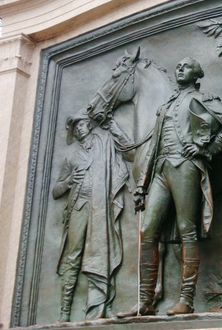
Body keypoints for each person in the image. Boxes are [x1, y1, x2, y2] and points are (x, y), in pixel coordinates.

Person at [117, 57, 222, 317]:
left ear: (196, 74)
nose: (179, 68)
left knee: (188, 230)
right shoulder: (165, 106)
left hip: (186, 166)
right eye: (178, 65)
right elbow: (153, 148)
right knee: (147, 231)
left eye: (185, 66)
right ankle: (145, 302)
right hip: (162, 171)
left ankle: (186, 300)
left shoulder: (202, 99)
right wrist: (142, 184)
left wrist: (207, 149)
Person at [53, 110, 130, 321]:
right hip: (79, 207)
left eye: (81, 124)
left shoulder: (104, 144)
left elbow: (127, 148)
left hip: (100, 207)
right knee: (73, 256)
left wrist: (112, 125)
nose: (79, 128)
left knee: (101, 252)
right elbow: (56, 191)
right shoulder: (70, 156)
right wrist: (69, 182)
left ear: (89, 125)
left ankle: (99, 306)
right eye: (75, 127)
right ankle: (64, 312)